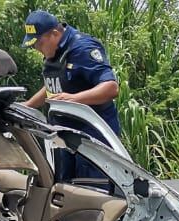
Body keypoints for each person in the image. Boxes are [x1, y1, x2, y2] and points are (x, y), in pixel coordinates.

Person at [20, 10, 121, 182]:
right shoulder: (55, 52)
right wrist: (27, 105)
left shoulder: (83, 48)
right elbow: (53, 85)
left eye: (39, 43)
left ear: (54, 33)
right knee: (64, 190)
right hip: (63, 137)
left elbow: (111, 88)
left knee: (92, 193)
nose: (37, 49)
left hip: (92, 139)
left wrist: (74, 99)